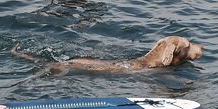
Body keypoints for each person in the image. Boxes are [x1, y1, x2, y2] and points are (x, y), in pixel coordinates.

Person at [13, 36, 204, 74]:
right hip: (78, 68)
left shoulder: (146, 63)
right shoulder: (149, 70)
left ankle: (21, 54)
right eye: (188, 47)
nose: (193, 48)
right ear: (170, 55)